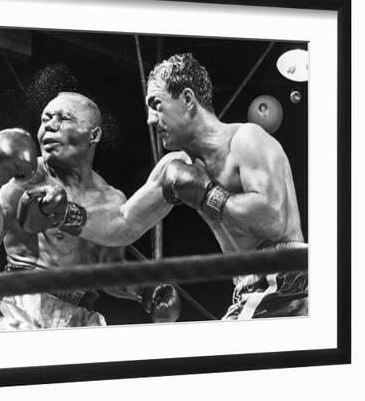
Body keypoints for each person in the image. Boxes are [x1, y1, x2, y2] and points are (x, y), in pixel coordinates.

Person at [37, 54, 307, 320]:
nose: (151, 120)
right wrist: (66, 213)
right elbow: (123, 223)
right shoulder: (174, 166)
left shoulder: (246, 139)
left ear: (188, 100)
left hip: (286, 280)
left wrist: (207, 194)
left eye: (157, 105)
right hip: (247, 288)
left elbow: (272, 220)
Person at [0, 92, 181, 330]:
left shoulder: (111, 198)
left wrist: (143, 289)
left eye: (63, 118)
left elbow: (107, 272)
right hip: (21, 306)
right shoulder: (25, 178)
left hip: (79, 315)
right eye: (45, 119)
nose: (50, 127)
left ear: (94, 135)